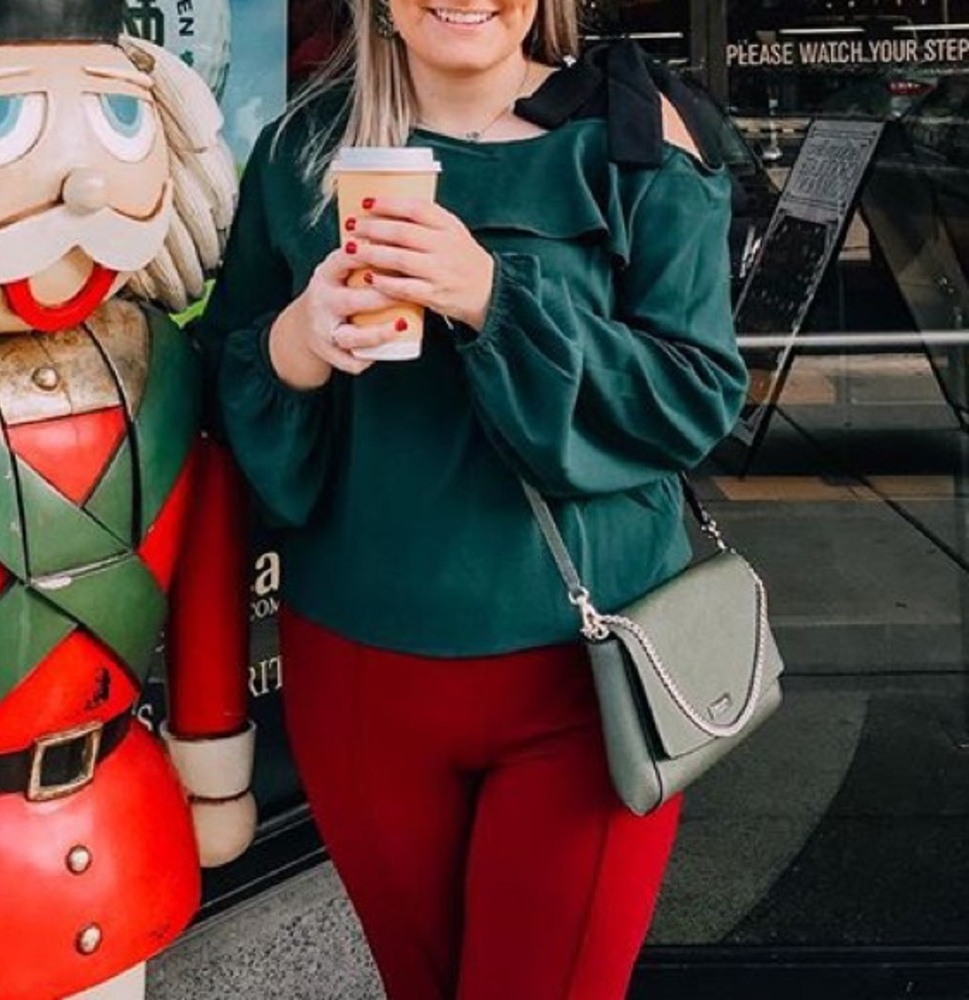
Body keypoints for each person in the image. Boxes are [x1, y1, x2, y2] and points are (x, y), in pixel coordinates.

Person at [196, 0, 748, 997]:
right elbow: (224, 390)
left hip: (589, 681)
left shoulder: (638, 135)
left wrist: (493, 295)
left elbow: (694, 398)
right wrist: (297, 344)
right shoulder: (302, 148)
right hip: (358, 676)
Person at [0, 4, 255, 998]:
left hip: (114, 817)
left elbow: (207, 568)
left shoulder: (165, 373)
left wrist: (213, 752)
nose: (85, 182)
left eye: (118, 121)